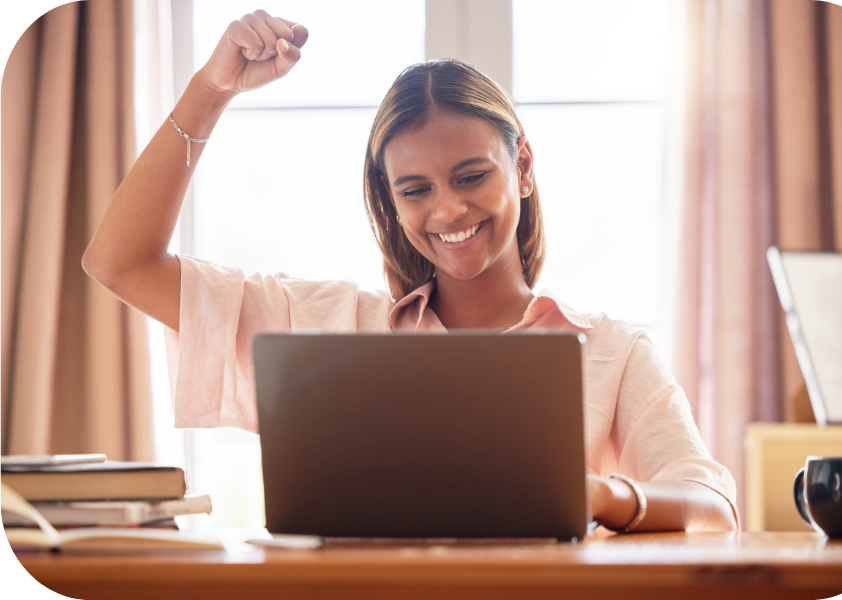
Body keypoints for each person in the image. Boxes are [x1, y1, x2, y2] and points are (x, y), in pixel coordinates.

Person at [83, 10, 738, 534]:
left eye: (472, 176)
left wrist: (596, 494)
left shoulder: (614, 353)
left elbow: (711, 505)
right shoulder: (328, 328)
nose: (448, 209)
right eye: (415, 189)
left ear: (525, 167)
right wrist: (211, 90)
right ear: (391, 202)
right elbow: (119, 262)